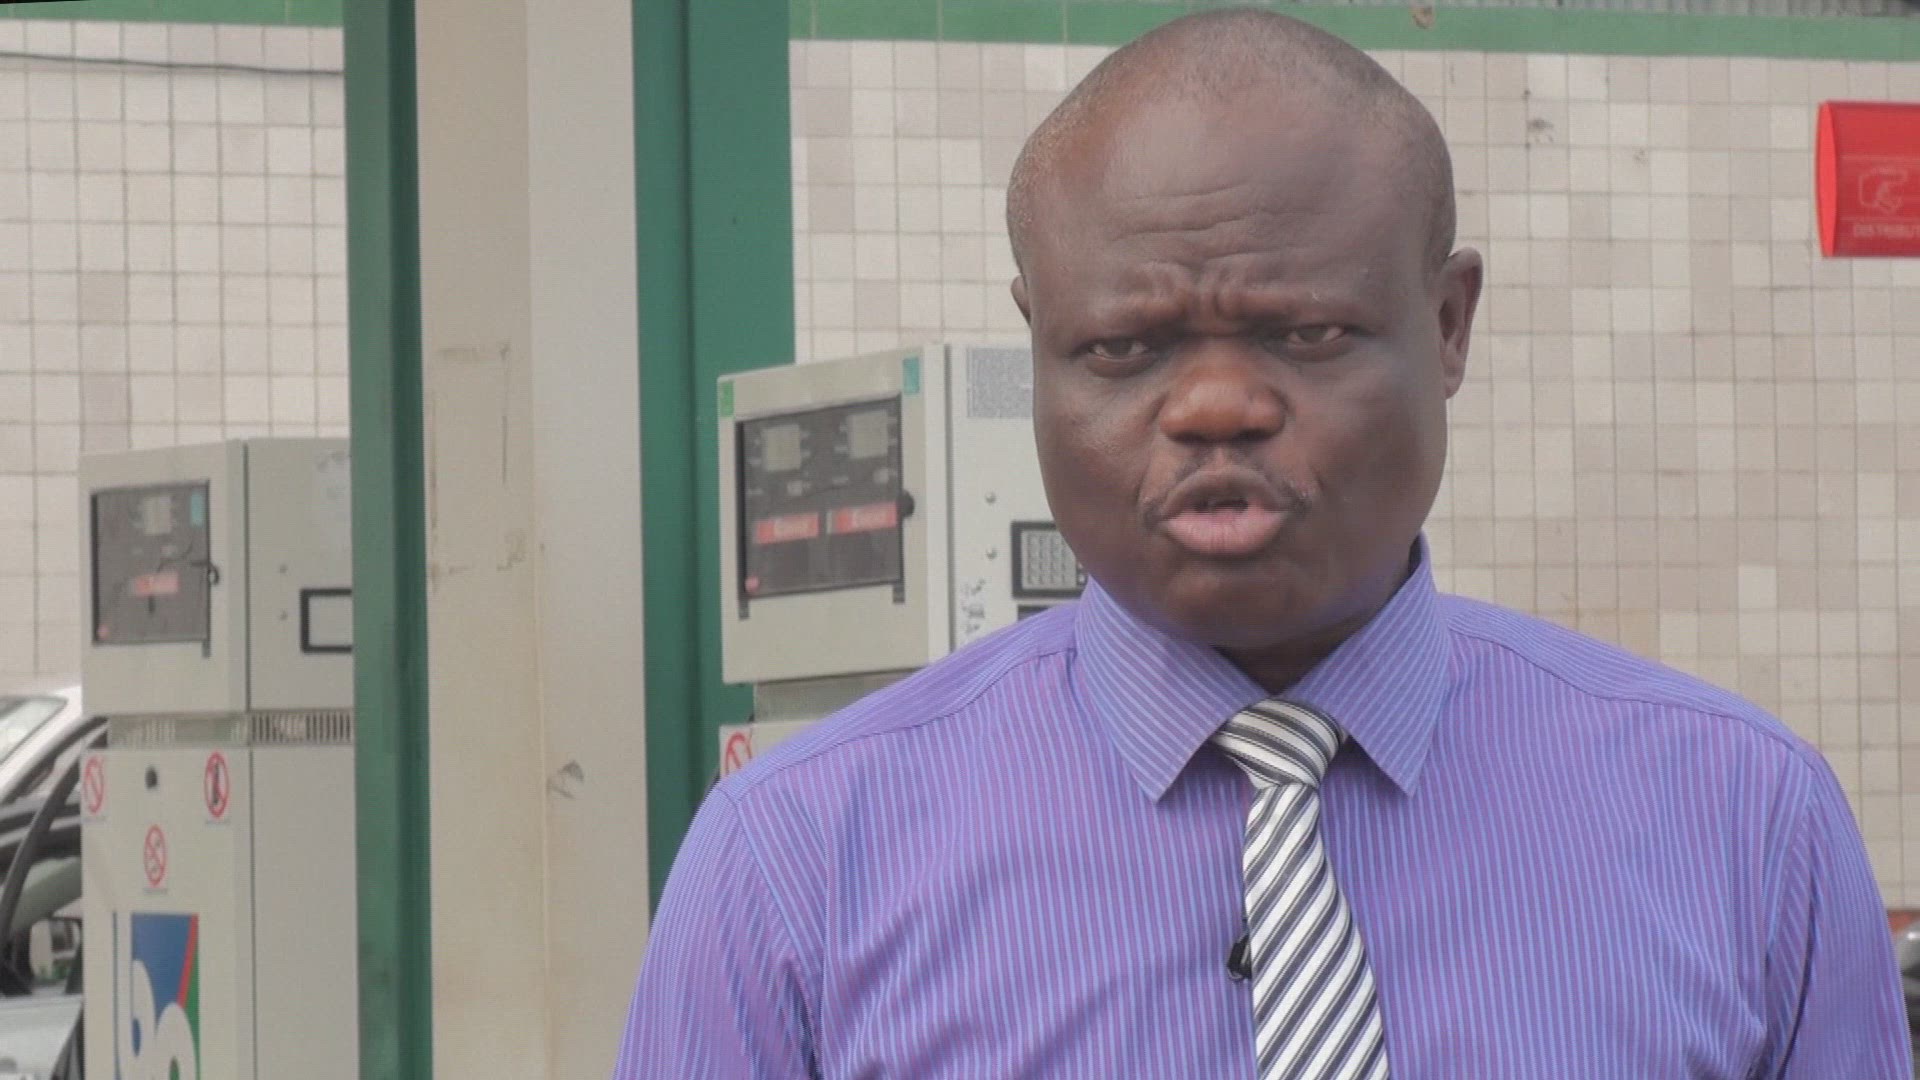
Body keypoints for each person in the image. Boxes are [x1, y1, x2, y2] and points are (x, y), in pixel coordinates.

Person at [615, 10, 1910, 1078]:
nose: (1216, 407)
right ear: (1040, 342)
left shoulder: (1746, 825)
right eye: (1125, 348)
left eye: (1308, 334)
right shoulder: (794, 864)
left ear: (1448, 326)